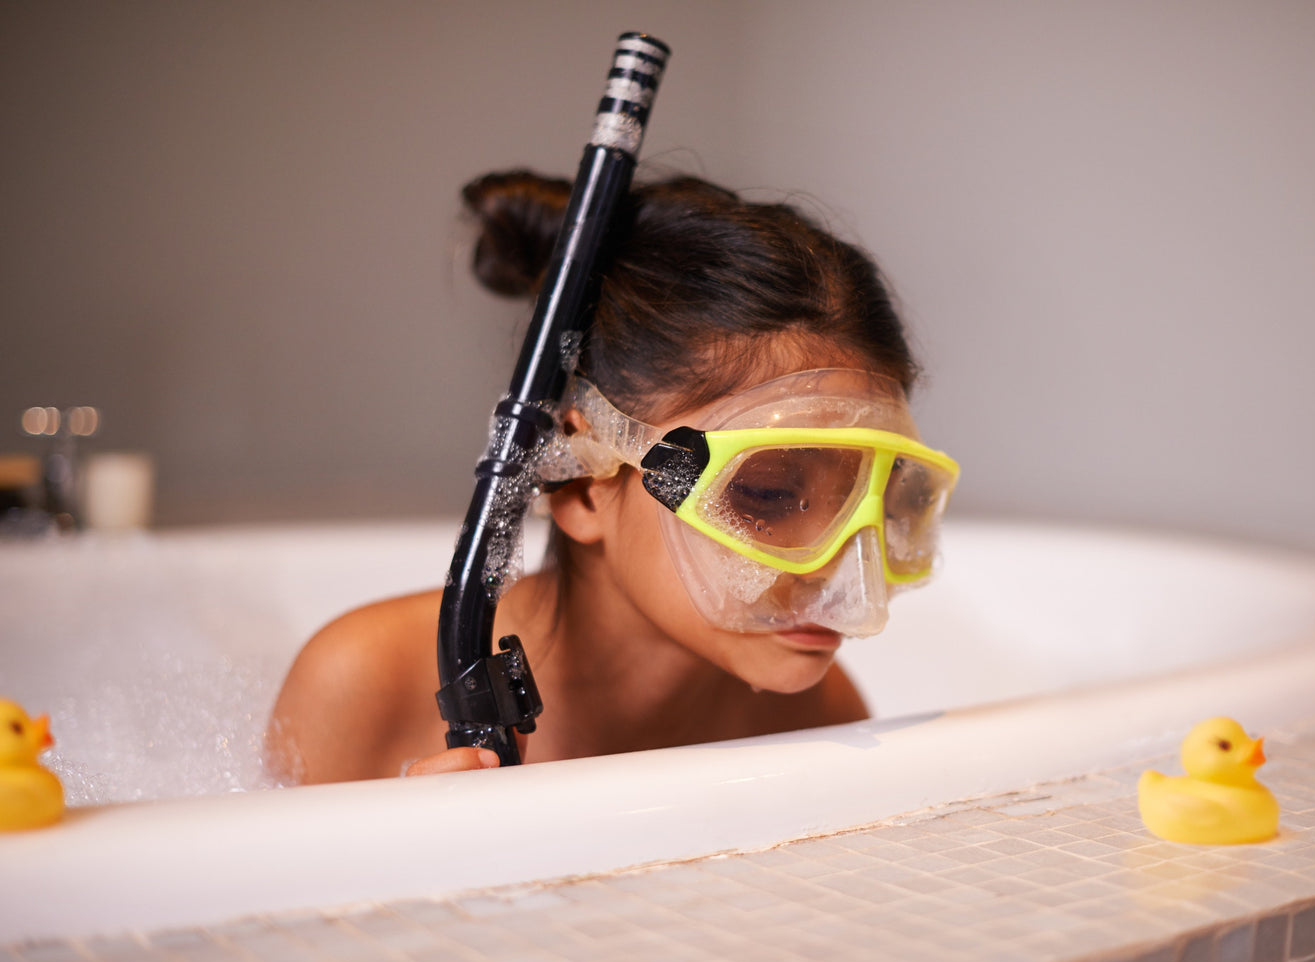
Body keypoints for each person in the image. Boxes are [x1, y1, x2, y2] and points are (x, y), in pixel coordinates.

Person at [266, 171, 958, 784]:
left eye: (886, 501)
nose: (844, 567)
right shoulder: (364, 686)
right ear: (581, 481)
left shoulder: (815, 711)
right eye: (768, 494)